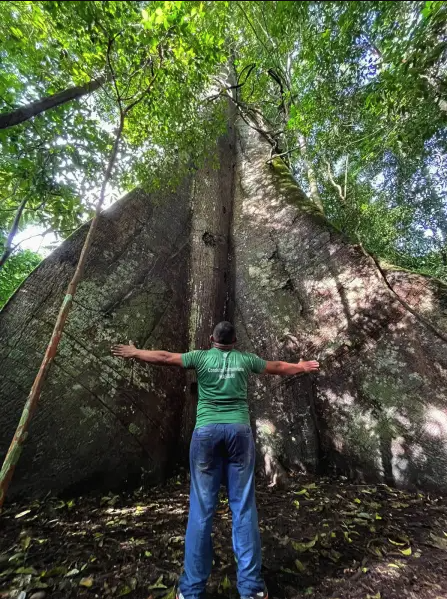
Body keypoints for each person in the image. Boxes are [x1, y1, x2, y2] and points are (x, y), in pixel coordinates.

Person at [112, 321, 319, 599]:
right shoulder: (246, 360)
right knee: (243, 508)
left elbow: (164, 357)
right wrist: (302, 366)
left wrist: (135, 352)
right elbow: (278, 367)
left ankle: (191, 591)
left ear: (212, 339)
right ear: (235, 341)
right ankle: (252, 589)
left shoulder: (200, 357)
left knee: (201, 511)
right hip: (239, 434)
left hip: (206, 434)